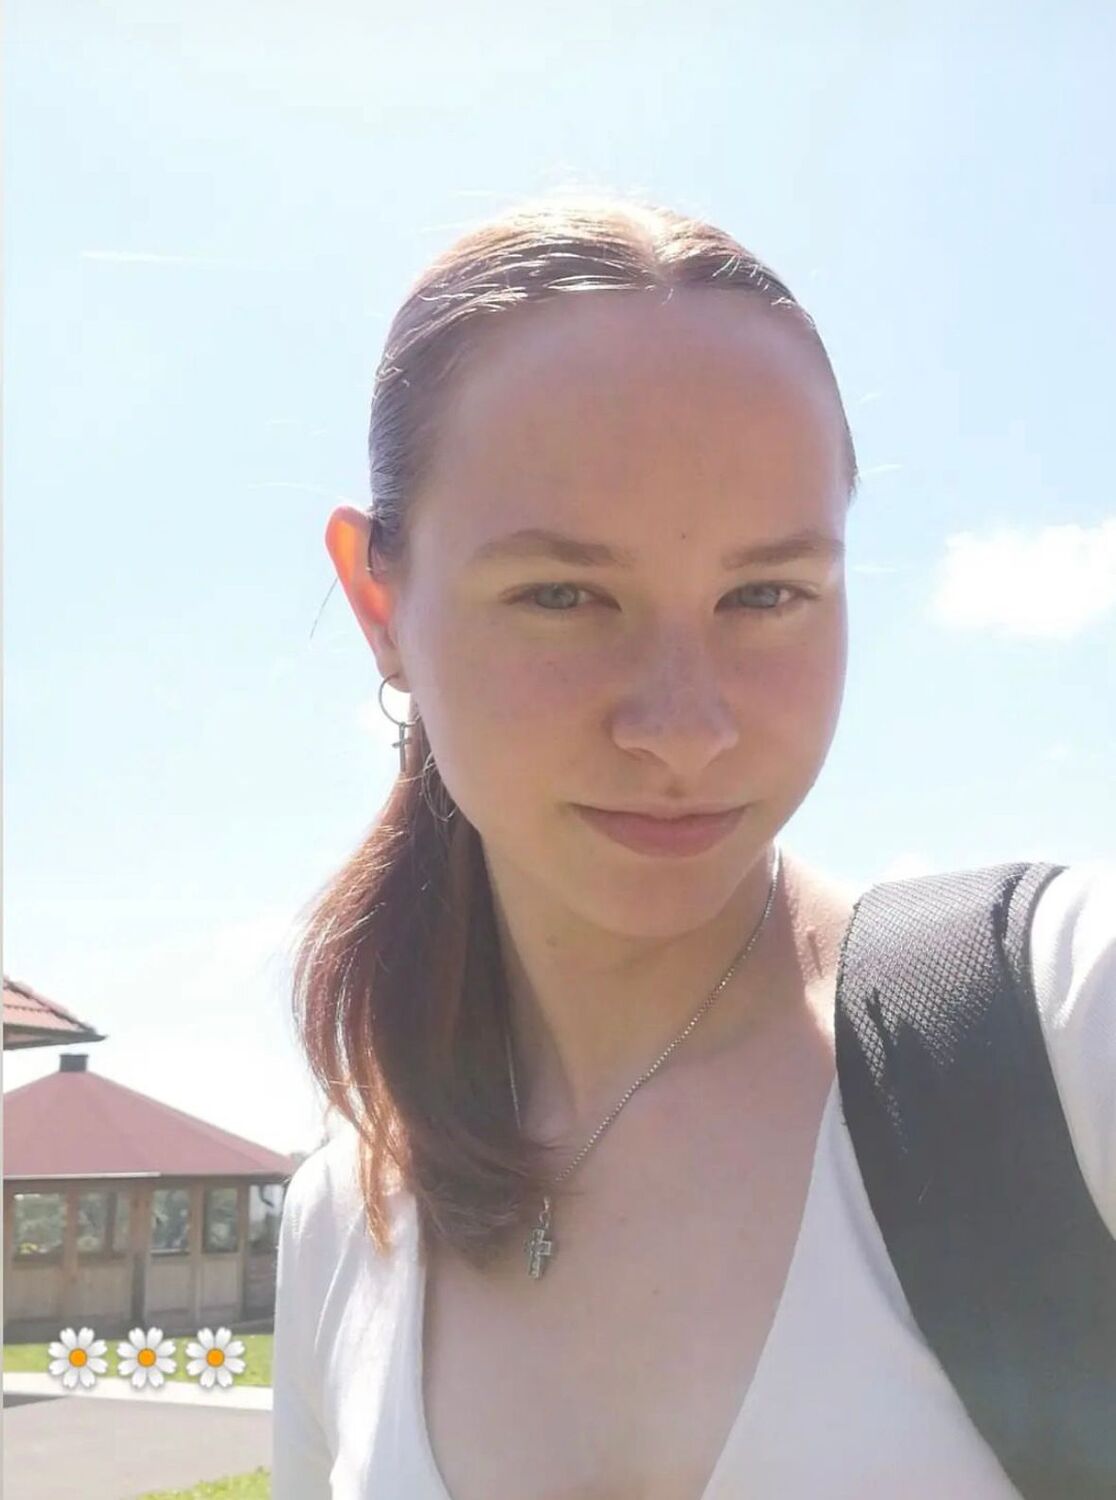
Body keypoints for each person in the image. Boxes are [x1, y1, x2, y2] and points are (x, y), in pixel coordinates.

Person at [270, 190, 1115, 1499]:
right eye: (563, 594)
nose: (683, 728)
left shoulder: (1055, 1039)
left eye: (765, 592)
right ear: (379, 599)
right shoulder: (345, 1226)